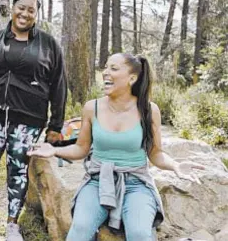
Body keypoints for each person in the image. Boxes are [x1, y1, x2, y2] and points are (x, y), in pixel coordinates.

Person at [28, 53, 205, 240]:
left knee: (140, 234)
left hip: (136, 184)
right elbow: (81, 148)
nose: (105, 73)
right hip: (97, 181)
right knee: (79, 230)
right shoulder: (92, 107)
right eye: (105, 67)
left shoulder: (149, 110)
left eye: (113, 68)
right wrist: (54, 150)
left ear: (132, 78)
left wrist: (175, 165)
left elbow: (156, 154)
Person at [0, 0, 67, 241]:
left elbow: (59, 85)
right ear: (12, 9)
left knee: (18, 172)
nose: (25, 13)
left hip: (28, 121)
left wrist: (55, 125)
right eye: (21, 8)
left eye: (31, 10)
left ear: (36, 14)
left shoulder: (48, 44)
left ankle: (12, 224)